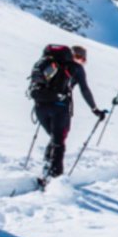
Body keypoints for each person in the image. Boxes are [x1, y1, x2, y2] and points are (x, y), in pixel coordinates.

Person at [31, 45, 107, 185]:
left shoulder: (51, 63)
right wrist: (95, 109)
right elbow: (85, 90)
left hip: (40, 106)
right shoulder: (75, 68)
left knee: (55, 138)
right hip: (59, 108)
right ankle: (54, 179)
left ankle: (47, 168)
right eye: (81, 58)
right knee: (59, 142)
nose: (81, 61)